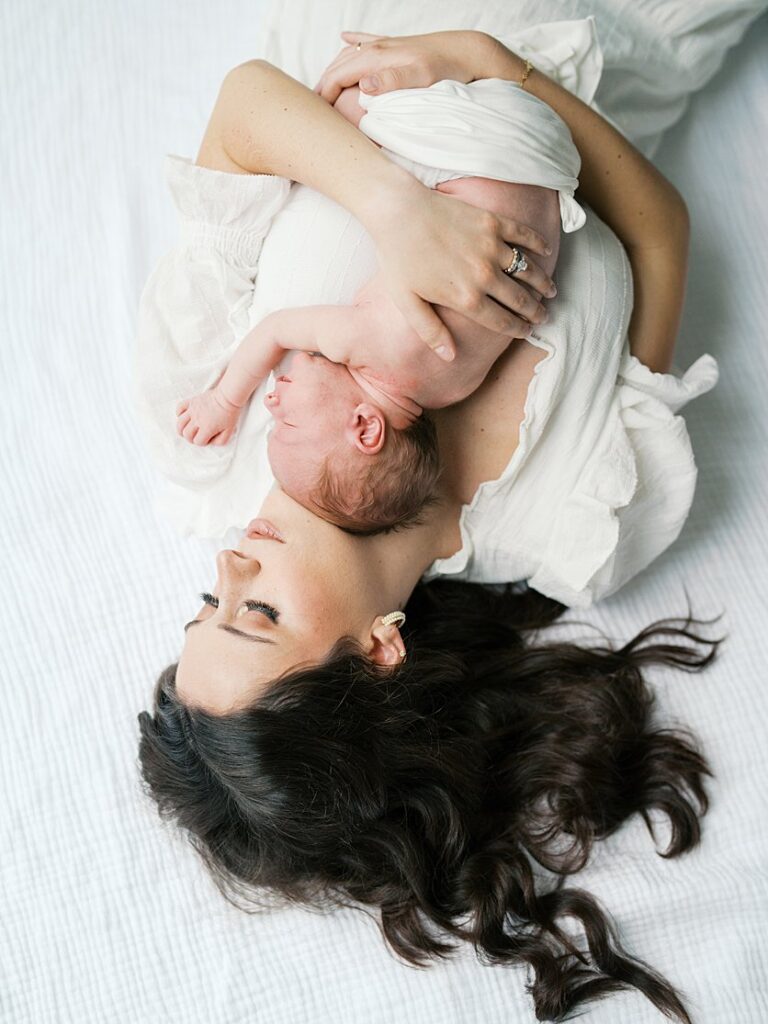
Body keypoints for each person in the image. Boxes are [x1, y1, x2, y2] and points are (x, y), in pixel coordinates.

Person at [137, 25, 719, 1023]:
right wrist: (492, 63)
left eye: (209, 599)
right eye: (259, 612)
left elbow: (245, 108)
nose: (231, 559)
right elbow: (661, 232)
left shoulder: (206, 438)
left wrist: (398, 209)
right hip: (621, 40)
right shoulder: (581, 523)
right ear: (378, 651)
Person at [173, 77, 575, 532]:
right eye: (287, 425)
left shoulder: (451, 390)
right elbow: (275, 329)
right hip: (481, 146)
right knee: (339, 110)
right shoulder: (374, 348)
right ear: (365, 427)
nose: (270, 402)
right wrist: (224, 400)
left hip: (543, 167)